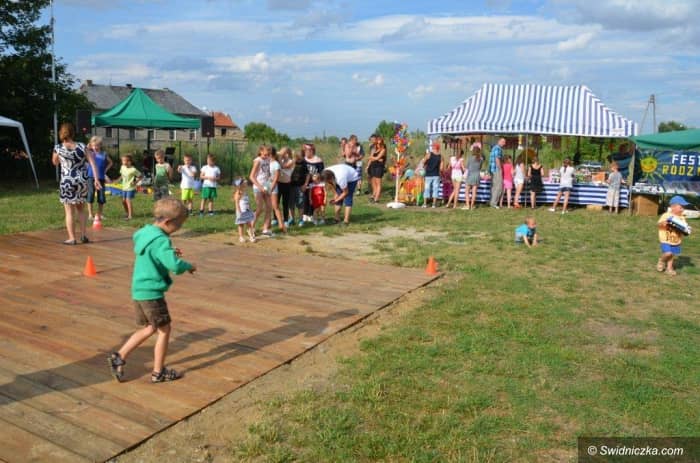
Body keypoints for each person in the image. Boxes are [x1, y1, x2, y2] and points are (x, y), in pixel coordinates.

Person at [107, 198, 196, 383]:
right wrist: (188, 266)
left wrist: (169, 251)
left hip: (139, 290)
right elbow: (175, 266)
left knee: (150, 328)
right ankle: (158, 372)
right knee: (164, 330)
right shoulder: (162, 240)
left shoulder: (145, 233)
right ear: (168, 222)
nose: (179, 228)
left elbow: (154, 252)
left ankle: (119, 356)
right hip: (152, 293)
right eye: (178, 225)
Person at [52, 122, 101, 244]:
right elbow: (93, 163)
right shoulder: (82, 146)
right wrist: (96, 179)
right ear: (73, 133)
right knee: (81, 210)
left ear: (61, 133)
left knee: (69, 211)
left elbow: (55, 162)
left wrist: (63, 159)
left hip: (67, 181)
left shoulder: (58, 148)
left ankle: (72, 238)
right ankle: (83, 236)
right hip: (81, 181)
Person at [656, 196, 691, 276]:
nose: (683, 209)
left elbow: (684, 228)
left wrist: (687, 230)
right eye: (681, 207)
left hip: (676, 240)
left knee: (672, 255)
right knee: (668, 253)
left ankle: (669, 269)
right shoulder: (666, 215)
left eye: (683, 207)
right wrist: (663, 223)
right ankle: (661, 260)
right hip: (665, 239)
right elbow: (658, 224)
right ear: (673, 207)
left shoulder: (682, 217)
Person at [86, 135, 113, 221]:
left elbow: (110, 162)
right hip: (91, 177)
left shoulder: (104, 154)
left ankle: (100, 214)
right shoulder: (90, 153)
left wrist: (105, 170)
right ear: (91, 145)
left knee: (101, 196)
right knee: (90, 194)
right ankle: (90, 215)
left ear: (100, 145)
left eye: (97, 145)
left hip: (101, 177)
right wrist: (88, 146)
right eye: (94, 145)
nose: (95, 147)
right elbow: (84, 150)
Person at [249, 145, 273, 235]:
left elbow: (266, 173)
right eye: (266, 153)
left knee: (269, 207)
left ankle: (265, 228)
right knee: (260, 208)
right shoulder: (257, 161)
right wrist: (260, 187)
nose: (267, 155)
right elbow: (251, 177)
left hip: (266, 186)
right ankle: (251, 227)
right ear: (261, 151)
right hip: (258, 187)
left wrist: (269, 181)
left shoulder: (268, 159)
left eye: (269, 153)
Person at [301, 143, 325, 225]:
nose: (306, 151)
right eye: (305, 150)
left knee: (314, 199)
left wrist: (317, 178)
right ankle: (305, 215)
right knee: (305, 199)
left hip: (315, 184)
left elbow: (321, 172)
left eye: (308, 150)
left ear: (312, 150)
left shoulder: (318, 160)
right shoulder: (303, 160)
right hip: (305, 183)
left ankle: (312, 215)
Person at [113, 154, 142, 221]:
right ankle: (127, 213)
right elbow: (122, 176)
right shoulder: (122, 167)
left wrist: (135, 182)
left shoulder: (133, 169)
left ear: (129, 162)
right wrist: (117, 180)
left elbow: (140, 176)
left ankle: (130, 216)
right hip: (124, 187)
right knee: (123, 201)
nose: (123, 162)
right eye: (122, 160)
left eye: (124, 160)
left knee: (128, 200)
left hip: (130, 188)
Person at [268, 148, 287, 233]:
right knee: (268, 206)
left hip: (273, 186)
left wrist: (271, 187)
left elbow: (276, 178)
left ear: (271, 154)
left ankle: (281, 225)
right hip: (266, 185)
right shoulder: (266, 162)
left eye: (268, 153)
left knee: (275, 206)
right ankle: (268, 224)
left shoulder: (276, 164)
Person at [233, 178, 256, 243]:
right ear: (240, 185)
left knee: (249, 224)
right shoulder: (238, 193)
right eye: (244, 183)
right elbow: (237, 203)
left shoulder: (245, 192)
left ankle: (251, 236)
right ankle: (241, 237)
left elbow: (248, 202)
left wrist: (250, 209)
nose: (246, 184)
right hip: (241, 211)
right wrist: (239, 212)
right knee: (241, 224)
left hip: (247, 210)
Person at [422, 142, 444, 208]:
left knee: (427, 189)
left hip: (428, 174)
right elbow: (441, 168)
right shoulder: (441, 157)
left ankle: (425, 204)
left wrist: (425, 166)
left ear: (434, 147)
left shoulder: (429, 154)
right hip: (436, 175)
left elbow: (423, 162)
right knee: (435, 189)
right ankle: (433, 204)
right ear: (438, 148)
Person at [366, 135, 386, 203]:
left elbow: (376, 158)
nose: (378, 144)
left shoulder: (383, 150)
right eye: (377, 142)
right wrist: (368, 165)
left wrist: (373, 158)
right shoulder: (374, 148)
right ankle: (374, 196)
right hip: (373, 166)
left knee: (378, 184)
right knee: (374, 183)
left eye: (379, 142)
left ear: (382, 143)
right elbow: (373, 157)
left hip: (379, 167)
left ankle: (376, 199)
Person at [277, 147, 294, 226]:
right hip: (278, 183)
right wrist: (280, 155)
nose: (284, 155)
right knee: (276, 202)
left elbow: (284, 166)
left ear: (288, 153)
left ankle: (286, 220)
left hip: (286, 184)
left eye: (285, 153)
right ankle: (275, 218)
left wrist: (280, 157)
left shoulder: (291, 161)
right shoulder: (280, 159)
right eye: (283, 153)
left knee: (285, 203)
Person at [289, 149, 306, 226]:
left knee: (300, 203)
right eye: (297, 157)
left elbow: (308, 174)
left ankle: (301, 220)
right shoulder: (291, 162)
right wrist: (293, 161)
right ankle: (292, 219)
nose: (299, 159)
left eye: (300, 157)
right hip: (290, 186)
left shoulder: (304, 163)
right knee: (291, 203)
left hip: (300, 186)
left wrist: (305, 184)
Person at [464, 145, 483, 210]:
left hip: (470, 175)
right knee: (474, 192)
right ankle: (472, 206)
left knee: (467, 191)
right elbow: (480, 167)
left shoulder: (470, 158)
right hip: (477, 175)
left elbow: (466, 167)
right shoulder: (481, 159)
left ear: (473, 151)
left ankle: (467, 205)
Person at [489, 137, 505, 208]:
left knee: (494, 186)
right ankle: (494, 203)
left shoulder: (494, 148)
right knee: (499, 186)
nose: (504, 144)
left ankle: (492, 202)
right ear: (499, 141)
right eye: (503, 142)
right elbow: (497, 159)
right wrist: (500, 168)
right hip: (496, 169)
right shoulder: (498, 148)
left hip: (492, 169)